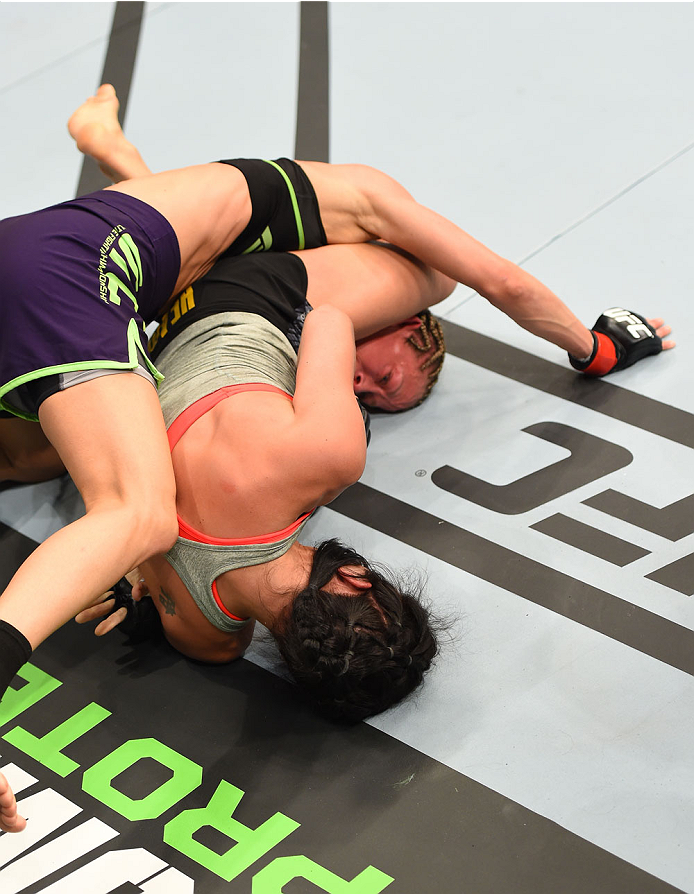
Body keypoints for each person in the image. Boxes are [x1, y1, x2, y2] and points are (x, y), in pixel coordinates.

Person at [0, 83, 673, 832]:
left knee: (115, 501)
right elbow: (429, 297)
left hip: (135, 293)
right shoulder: (208, 635)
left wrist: (602, 346)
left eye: (382, 395)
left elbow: (326, 316)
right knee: (119, 497)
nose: (368, 387)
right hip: (132, 310)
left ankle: (115, 150)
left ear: (358, 575)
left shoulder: (324, 450)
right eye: (382, 375)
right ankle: (115, 150)